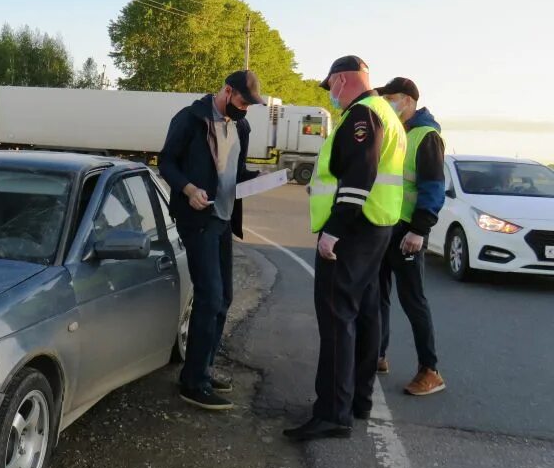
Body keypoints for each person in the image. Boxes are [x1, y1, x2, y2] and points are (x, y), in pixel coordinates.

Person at [284, 56, 406, 441]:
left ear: (341, 80)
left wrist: (333, 230)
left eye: (330, 86)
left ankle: (333, 412)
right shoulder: (384, 111)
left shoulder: (361, 115)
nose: (331, 94)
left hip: (353, 231)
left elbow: (359, 175)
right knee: (365, 315)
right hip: (376, 228)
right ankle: (357, 400)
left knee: (337, 319)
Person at [159, 71, 264, 410]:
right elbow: (167, 162)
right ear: (227, 91)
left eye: (250, 104)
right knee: (210, 296)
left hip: (223, 220)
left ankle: (202, 367)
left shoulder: (241, 126)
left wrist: (263, 180)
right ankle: (193, 382)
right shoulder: (191, 119)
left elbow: (238, 170)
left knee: (225, 298)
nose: (245, 109)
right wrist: (188, 190)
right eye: (242, 101)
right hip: (198, 220)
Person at [375, 77, 446, 396]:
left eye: (390, 97)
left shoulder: (426, 136)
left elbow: (433, 188)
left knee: (412, 299)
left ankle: (430, 370)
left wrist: (419, 229)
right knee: (377, 295)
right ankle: (377, 354)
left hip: (408, 230)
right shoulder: (396, 132)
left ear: (406, 99)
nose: (387, 102)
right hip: (385, 225)